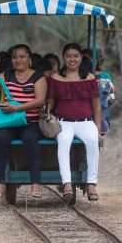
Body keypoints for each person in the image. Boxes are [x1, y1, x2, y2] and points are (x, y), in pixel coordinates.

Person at [0, 44, 47, 199]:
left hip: (30, 122)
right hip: (9, 123)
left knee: (30, 139)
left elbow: (40, 100)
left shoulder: (38, 77)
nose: (18, 60)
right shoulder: (8, 75)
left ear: (29, 58)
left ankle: (35, 184)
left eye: (22, 56)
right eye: (15, 57)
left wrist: (17, 109)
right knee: (0, 139)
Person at [47, 43, 101, 202]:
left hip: (85, 121)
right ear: (63, 58)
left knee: (92, 140)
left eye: (76, 56)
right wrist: (45, 112)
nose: (72, 59)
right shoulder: (56, 78)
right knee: (63, 141)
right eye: (68, 56)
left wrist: (98, 129)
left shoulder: (89, 78)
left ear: (81, 58)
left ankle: (91, 183)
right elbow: (51, 102)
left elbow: (96, 106)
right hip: (64, 122)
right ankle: (67, 183)